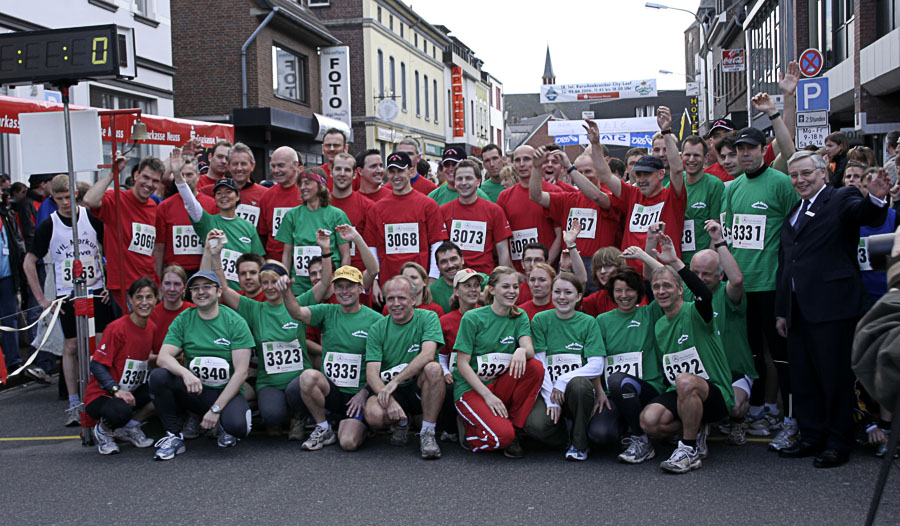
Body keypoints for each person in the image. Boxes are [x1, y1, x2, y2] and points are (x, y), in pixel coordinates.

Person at [774, 151, 891, 468]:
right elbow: (788, 263)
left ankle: (839, 442)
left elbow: (865, 213)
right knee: (804, 379)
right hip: (798, 311)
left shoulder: (842, 197)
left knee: (835, 379)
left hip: (834, 308)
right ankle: (812, 437)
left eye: (806, 173)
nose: (800, 180)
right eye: (794, 175)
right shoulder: (795, 211)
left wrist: (878, 199)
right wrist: (782, 310)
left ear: (823, 173)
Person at [721, 101, 799, 445]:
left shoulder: (780, 183)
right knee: (749, 351)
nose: (745, 154)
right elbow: (729, 236)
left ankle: (774, 409)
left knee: (775, 353)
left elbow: (799, 226)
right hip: (740, 284)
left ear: (762, 150)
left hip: (771, 282)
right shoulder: (733, 188)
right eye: (740, 149)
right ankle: (752, 409)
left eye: (751, 148)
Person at [208, 228, 333, 437]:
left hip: (297, 379)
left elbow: (325, 282)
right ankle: (285, 416)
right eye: (264, 282)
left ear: (283, 282)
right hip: (269, 381)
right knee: (272, 416)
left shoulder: (299, 303)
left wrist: (326, 250)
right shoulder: (254, 309)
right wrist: (215, 255)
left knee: (299, 388)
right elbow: (224, 288)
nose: (269, 287)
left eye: (274, 281)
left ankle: (299, 417)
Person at [633, 233, 734, 474]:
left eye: (667, 285)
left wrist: (677, 262)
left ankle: (689, 450)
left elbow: (704, 294)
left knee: (685, 380)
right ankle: (695, 428)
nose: (661, 291)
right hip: (680, 392)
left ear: (680, 289)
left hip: (714, 393)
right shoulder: (659, 325)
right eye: (656, 287)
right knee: (649, 421)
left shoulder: (696, 312)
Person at [23, 173, 112, 425]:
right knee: (71, 346)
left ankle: (101, 395)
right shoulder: (49, 225)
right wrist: (42, 299)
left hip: (96, 291)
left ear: (75, 194)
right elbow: (29, 262)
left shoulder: (91, 219)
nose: (64, 202)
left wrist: (109, 285)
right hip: (68, 295)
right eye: (59, 198)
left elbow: (111, 250)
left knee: (101, 345)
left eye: (67, 197)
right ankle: (74, 402)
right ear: (53, 198)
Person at [149, 270, 254, 460]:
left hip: (225, 393)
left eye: (207, 287)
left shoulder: (235, 322)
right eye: (195, 288)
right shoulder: (183, 319)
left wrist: (216, 409)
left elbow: (241, 372)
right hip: (196, 391)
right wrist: (185, 373)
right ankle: (173, 436)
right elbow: (163, 357)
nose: (201, 292)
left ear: (219, 292)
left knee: (239, 428)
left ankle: (222, 424)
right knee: (159, 377)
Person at [276, 263, 382, 451]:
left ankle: (360, 426)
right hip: (332, 390)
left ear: (360, 288)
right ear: (333, 288)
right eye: (339, 286)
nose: (344, 291)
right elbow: (297, 312)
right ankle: (323, 427)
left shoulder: (376, 320)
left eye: (349, 286)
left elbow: (383, 362)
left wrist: (365, 392)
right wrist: (286, 292)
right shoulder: (327, 311)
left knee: (348, 443)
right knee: (308, 376)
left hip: (357, 395)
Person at [578, 110, 686, 275]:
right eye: (638, 174)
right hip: (630, 274)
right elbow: (606, 175)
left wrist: (665, 132)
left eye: (647, 174)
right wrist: (595, 144)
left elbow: (677, 170)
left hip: (662, 273)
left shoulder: (672, 197)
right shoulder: (632, 194)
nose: (641, 179)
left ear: (661, 174)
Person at [454, 266, 543, 457]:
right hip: (473, 388)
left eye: (515, 287)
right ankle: (470, 433)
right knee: (501, 438)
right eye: (506, 287)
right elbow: (462, 364)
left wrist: (521, 350)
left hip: (499, 384)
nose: (512, 291)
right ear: (492, 290)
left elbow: (529, 350)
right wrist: (487, 395)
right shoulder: (473, 318)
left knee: (534, 368)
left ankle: (515, 427)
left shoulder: (519, 316)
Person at [687, 221, 757, 445]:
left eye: (706, 274)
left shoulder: (727, 295)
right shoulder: (687, 295)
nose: (699, 278)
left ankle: (738, 420)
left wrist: (719, 241)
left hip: (733, 370)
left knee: (734, 406)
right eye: (695, 272)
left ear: (719, 275)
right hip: (701, 371)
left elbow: (736, 280)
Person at [364, 276, 446, 459]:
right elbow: (371, 374)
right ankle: (401, 422)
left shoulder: (428, 317)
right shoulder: (377, 328)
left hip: (417, 387)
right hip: (393, 391)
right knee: (372, 415)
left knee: (433, 368)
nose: (396, 303)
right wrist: (390, 400)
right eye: (391, 298)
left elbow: (428, 354)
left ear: (413, 299)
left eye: (401, 298)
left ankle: (428, 432)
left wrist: (396, 380)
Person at [524, 273, 604, 461]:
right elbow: (539, 364)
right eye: (557, 291)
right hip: (550, 389)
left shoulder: (588, 322)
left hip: (576, 391)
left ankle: (580, 445)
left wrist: (563, 380)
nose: (562, 297)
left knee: (579, 385)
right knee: (535, 425)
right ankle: (565, 436)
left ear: (578, 297)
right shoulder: (541, 320)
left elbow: (597, 364)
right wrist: (550, 397)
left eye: (568, 292)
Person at [590, 267, 666, 463]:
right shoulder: (602, 321)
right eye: (618, 291)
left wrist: (643, 254)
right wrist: (599, 391)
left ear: (639, 292)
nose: (624, 296)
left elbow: (662, 276)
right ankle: (627, 428)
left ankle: (642, 441)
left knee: (619, 381)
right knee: (600, 434)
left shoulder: (650, 313)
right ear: (612, 293)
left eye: (630, 290)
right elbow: (595, 358)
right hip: (613, 393)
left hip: (647, 388)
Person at [530, 145, 621, 294]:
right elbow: (536, 196)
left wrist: (570, 167)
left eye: (588, 171)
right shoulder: (568, 199)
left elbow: (597, 197)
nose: (584, 176)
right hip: (570, 260)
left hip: (601, 265)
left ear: (598, 172)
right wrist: (536, 167)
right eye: (580, 172)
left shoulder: (610, 197)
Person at [85, 277, 158, 455]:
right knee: (120, 410)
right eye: (139, 297)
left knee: (163, 389)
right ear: (130, 300)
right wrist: (116, 389)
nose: (144, 302)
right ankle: (102, 431)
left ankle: (130, 427)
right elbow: (96, 365)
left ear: (156, 300)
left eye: (149, 297)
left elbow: (140, 357)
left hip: (131, 390)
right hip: (103, 395)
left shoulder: (151, 327)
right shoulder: (116, 328)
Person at [83, 154, 161, 312]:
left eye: (155, 181)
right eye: (145, 177)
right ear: (136, 175)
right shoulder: (116, 199)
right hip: (124, 287)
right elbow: (89, 200)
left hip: (149, 285)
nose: (149, 184)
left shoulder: (153, 206)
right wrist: (113, 173)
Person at [173, 159, 265, 290]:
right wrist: (178, 176)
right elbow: (190, 203)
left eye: (228, 192)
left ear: (237, 196)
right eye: (219, 193)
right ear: (215, 198)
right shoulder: (207, 222)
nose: (223, 196)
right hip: (214, 292)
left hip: (242, 293)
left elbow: (258, 261)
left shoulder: (248, 226)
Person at [365, 151, 447, 287]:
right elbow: (372, 246)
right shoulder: (377, 208)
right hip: (389, 283)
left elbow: (437, 243)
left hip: (420, 282)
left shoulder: (428, 205)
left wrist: (432, 277)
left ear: (410, 171)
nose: (396, 176)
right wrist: (375, 281)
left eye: (401, 171)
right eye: (392, 172)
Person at [275, 167, 350, 295]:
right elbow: (287, 254)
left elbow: (346, 255)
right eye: (301, 184)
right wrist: (285, 278)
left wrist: (339, 283)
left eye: (308, 183)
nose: (303, 187)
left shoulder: (337, 215)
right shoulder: (292, 215)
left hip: (328, 286)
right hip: (299, 287)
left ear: (321, 185)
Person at [439, 160, 513, 274]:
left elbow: (503, 252)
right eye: (459, 179)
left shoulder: (494, 211)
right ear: (454, 182)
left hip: (484, 278)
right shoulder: (443, 211)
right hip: (454, 277)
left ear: (478, 182)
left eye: (468, 178)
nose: (463, 183)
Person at [497, 145, 563, 271]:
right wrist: (512, 271)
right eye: (517, 160)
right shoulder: (504, 197)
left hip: (548, 270)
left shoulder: (554, 192)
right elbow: (502, 240)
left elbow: (560, 236)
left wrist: (546, 265)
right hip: (517, 272)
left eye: (527, 159)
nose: (522, 164)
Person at [438, 268, 484, 442]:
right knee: (448, 387)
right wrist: (445, 372)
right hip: (457, 375)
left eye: (476, 285)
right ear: (456, 291)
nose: (473, 289)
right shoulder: (446, 321)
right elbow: (441, 354)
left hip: (484, 373)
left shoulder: (490, 313)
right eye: (467, 286)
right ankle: (450, 429)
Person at [155, 152, 218, 275]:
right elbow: (159, 247)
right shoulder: (164, 207)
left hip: (203, 270)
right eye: (181, 175)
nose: (185, 180)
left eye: (189, 175)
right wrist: (157, 278)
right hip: (173, 272)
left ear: (198, 176)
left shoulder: (212, 205)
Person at [845, 165, 898, 303]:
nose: (873, 190)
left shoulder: (895, 217)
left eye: (878, 185)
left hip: (889, 292)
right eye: (867, 186)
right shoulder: (850, 219)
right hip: (861, 295)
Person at [679, 135, 725, 265]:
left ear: (705, 158)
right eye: (687, 155)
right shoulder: (676, 181)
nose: (691, 160)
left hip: (701, 263)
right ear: (681, 157)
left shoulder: (715, 185)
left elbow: (715, 229)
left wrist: (708, 264)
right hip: (678, 261)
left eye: (697, 155)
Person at [199, 142, 267, 228]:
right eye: (235, 164)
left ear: (252, 166)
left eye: (243, 164)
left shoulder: (265, 194)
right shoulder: (212, 190)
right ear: (228, 166)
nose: (239, 168)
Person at [329, 152, 375, 274]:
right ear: (330, 172)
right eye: (338, 169)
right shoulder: (321, 205)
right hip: (325, 276)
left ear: (354, 174)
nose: (342, 174)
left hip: (359, 276)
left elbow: (374, 247)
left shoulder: (368, 206)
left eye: (347, 170)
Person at [259, 146, 303, 260]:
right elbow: (262, 235)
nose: (276, 170)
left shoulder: (308, 193)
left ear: (295, 165)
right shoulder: (267, 196)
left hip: (301, 263)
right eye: (273, 166)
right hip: (274, 263)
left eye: (281, 165)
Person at [150, 265, 193, 359]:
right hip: (159, 368)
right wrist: (168, 358)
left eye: (177, 284)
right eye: (167, 283)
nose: (172, 289)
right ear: (161, 286)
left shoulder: (193, 312)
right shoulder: (151, 314)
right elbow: (146, 355)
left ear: (184, 287)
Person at [581, 247, 629, 317]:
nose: (602, 271)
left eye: (608, 266)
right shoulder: (597, 298)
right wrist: (565, 268)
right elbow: (572, 306)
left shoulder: (633, 293)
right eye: (598, 268)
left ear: (620, 267)